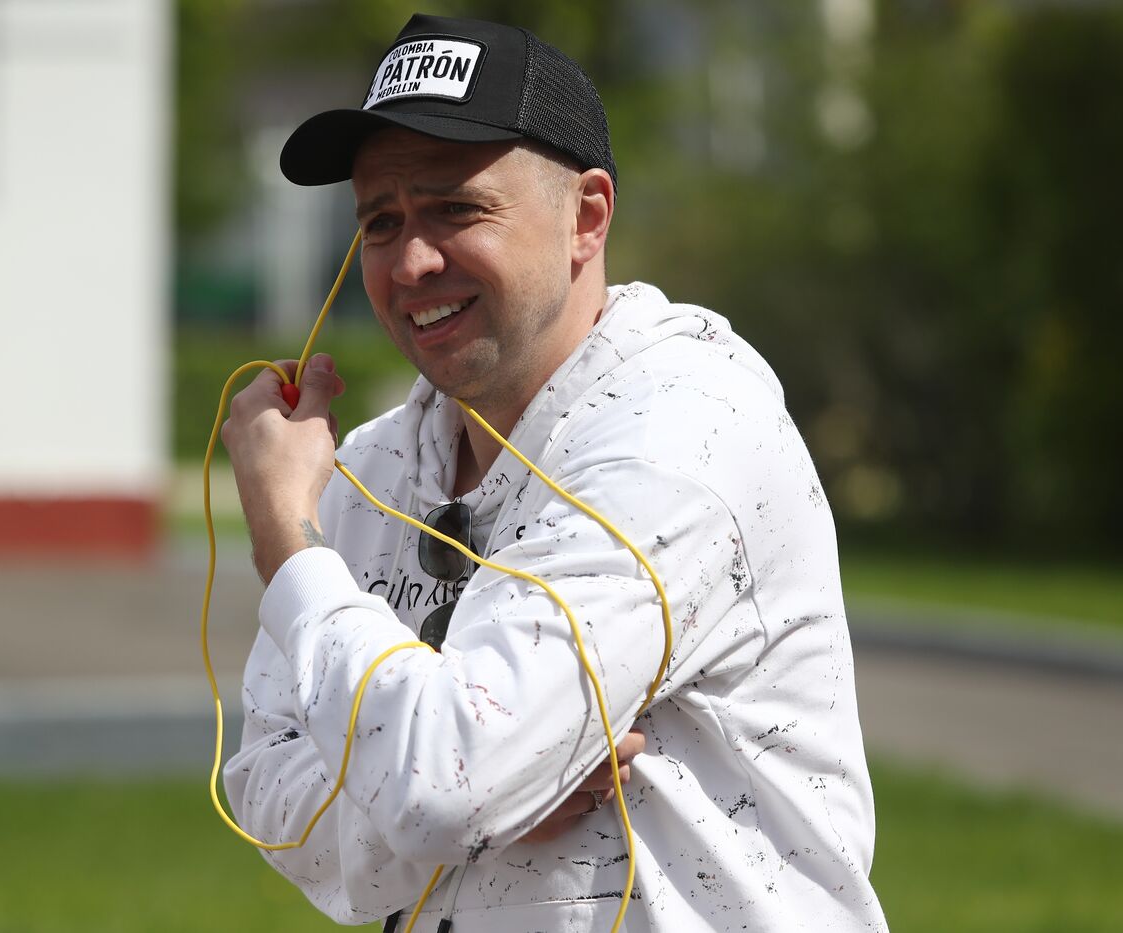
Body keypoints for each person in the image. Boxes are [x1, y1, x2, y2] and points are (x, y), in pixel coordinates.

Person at [221, 12, 888, 932]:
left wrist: (288, 543)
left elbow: (444, 780)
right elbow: (267, 784)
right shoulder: (366, 464)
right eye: (381, 221)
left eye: (456, 207)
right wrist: (473, 813)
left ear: (587, 215)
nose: (413, 260)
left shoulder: (685, 437)